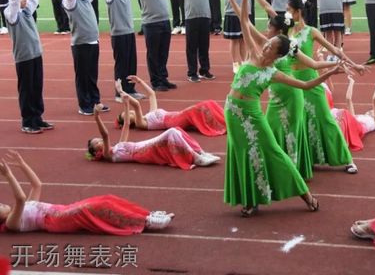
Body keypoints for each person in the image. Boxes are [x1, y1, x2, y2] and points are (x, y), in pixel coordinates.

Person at [223, 0, 341, 217]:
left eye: (271, 45)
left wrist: (330, 71)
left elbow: (306, 83)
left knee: (273, 152)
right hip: (232, 111)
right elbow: (244, 21)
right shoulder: (254, 53)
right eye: (268, 44)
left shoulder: (273, 72)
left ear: (277, 53)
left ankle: (305, 194)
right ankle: (250, 199)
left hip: (253, 116)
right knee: (240, 151)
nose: (266, 45)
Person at [0, 151, 174, 234]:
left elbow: (37, 185)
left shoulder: (23, 209)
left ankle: (146, 214)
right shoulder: (11, 223)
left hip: (62, 210)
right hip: (56, 221)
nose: (2, 204)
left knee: (107, 198)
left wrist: (22, 164)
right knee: (99, 206)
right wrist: (7, 174)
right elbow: (20, 198)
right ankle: (146, 222)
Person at [286, 0, 364, 174]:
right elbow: (268, 9)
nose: (287, 13)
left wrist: (354, 65)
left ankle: (347, 159)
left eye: (289, 10)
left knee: (325, 118)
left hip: (311, 80)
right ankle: (309, 159)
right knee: (301, 121)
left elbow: (334, 49)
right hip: (295, 82)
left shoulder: (311, 31)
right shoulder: (288, 32)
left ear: (298, 12)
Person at [89, 101, 219, 170]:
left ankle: (200, 152)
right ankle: (196, 157)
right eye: (97, 143)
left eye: (98, 140)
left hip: (143, 146)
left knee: (176, 130)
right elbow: (105, 134)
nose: (100, 141)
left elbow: (127, 123)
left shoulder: (118, 146)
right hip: (142, 153)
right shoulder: (109, 155)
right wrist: (96, 117)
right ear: (96, 152)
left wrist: (126, 102)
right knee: (172, 132)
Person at [4, 0, 53, 134]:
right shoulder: (11, 15)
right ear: (14, 0)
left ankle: (37, 118)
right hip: (23, 57)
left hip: (36, 55)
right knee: (26, 89)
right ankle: (27, 121)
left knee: (37, 87)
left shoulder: (27, 11)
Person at [63, 0, 110, 116]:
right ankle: (84, 105)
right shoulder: (69, 2)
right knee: (82, 75)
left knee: (92, 74)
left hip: (93, 42)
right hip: (80, 44)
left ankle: (95, 101)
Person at [133, 0, 180, 92]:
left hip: (165, 22)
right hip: (151, 24)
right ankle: (155, 81)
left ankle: (163, 78)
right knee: (153, 54)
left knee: (163, 52)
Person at [116, 75, 225, 136]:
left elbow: (151, 94)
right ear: (128, 122)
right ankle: (225, 123)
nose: (129, 112)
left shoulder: (149, 115)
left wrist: (139, 81)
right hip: (175, 121)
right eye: (126, 114)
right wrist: (121, 92)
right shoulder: (141, 123)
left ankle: (225, 120)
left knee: (209, 103)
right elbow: (136, 105)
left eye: (127, 111)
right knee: (204, 106)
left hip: (179, 115)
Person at [176, 0, 219, 82]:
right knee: (192, 46)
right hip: (191, 17)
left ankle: (205, 70)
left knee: (204, 45)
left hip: (205, 16)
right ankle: (192, 73)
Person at [215, 0, 261, 73]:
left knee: (244, 39)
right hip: (232, 13)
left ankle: (245, 61)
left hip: (246, 12)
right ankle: (236, 63)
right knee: (235, 40)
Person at [333, 76, 375, 152]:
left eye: (373, 111)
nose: (372, 111)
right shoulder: (355, 117)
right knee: (340, 115)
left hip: (358, 129)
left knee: (343, 113)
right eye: (370, 111)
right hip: (350, 126)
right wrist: (351, 82)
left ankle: (339, 142)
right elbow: (348, 99)